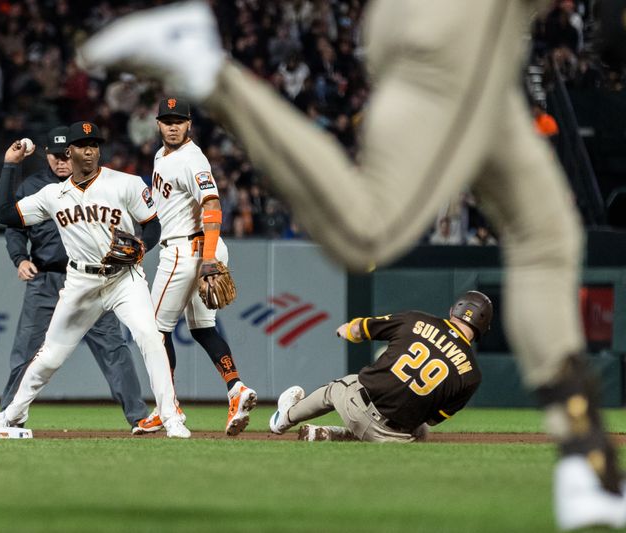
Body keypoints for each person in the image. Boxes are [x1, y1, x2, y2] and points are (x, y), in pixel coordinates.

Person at [78, 0, 626, 528]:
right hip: (458, 23)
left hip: (463, 33)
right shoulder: (469, 367)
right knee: (368, 229)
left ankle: (586, 461)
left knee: (548, 234)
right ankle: (209, 68)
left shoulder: (180, 159)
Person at [0, 121, 190, 439]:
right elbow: (5, 215)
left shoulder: (126, 184)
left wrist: (143, 244)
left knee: (149, 336)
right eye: (81, 146)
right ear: (69, 152)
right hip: (80, 282)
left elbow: (151, 224)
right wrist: (10, 166)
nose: (89, 151)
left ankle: (171, 417)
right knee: (49, 355)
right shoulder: (51, 195)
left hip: (124, 279)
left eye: (93, 145)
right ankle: (11, 415)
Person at [0, 126, 148, 429]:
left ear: (76, 153)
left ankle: (139, 418)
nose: (61, 161)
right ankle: (8, 416)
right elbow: (12, 225)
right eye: (55, 155)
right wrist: (20, 258)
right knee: (27, 351)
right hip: (46, 278)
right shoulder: (35, 187)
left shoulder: (98, 184)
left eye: (65, 154)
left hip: (93, 281)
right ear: (47, 156)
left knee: (113, 349)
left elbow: (135, 216)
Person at [132, 97, 256, 437]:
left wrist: (209, 258)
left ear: (190, 124)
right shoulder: (161, 155)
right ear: (157, 123)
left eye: (179, 120)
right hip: (195, 250)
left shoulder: (192, 159)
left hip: (190, 252)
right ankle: (236, 389)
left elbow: (212, 205)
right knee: (203, 329)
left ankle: (165, 407)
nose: (173, 126)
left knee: (154, 331)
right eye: (167, 120)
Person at [270, 291, 489, 443]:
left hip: (358, 407)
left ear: (454, 310)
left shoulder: (416, 320)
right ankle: (332, 435)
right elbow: (433, 419)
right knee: (422, 430)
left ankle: (284, 419)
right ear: (482, 328)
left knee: (338, 386)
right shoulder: (472, 376)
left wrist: (346, 330)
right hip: (395, 437)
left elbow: (360, 330)